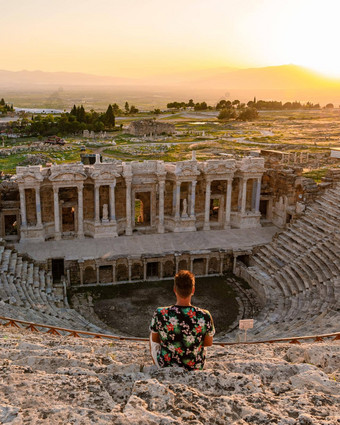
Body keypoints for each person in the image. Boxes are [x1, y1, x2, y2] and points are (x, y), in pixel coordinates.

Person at [149, 270, 215, 371]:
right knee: (202, 342)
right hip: (194, 366)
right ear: (193, 290)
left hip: (167, 364)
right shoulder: (205, 315)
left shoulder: (160, 313)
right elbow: (208, 343)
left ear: (175, 289)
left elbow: (155, 339)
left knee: (151, 335)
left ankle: (159, 369)